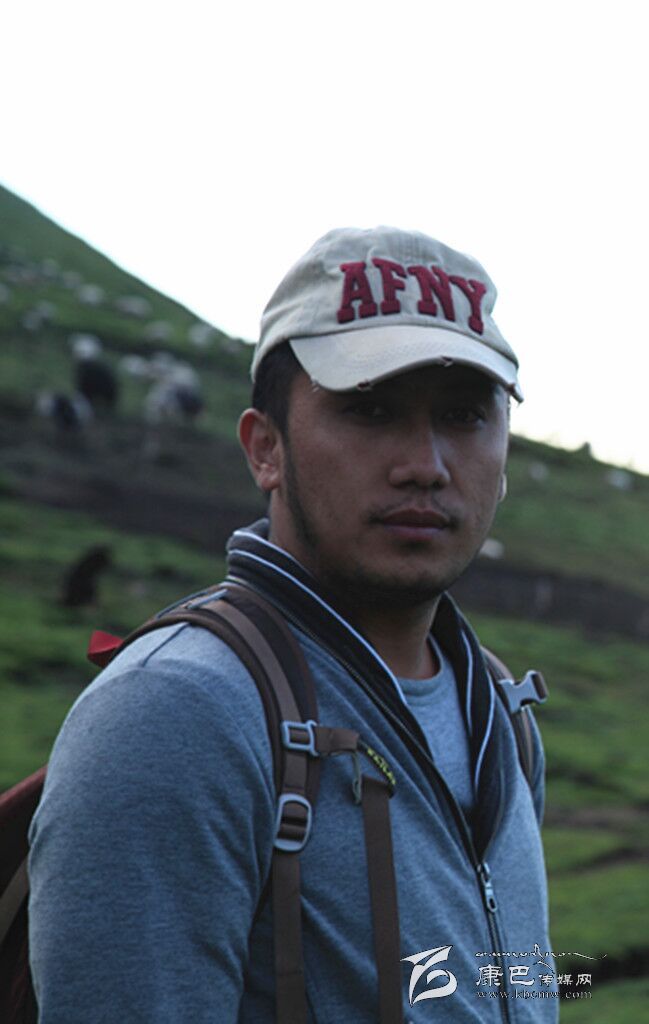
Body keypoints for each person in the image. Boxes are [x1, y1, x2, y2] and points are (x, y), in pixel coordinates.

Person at [28, 226, 557, 1021]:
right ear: (265, 449)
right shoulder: (175, 714)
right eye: (370, 410)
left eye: (462, 415)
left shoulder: (501, 715)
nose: (425, 464)